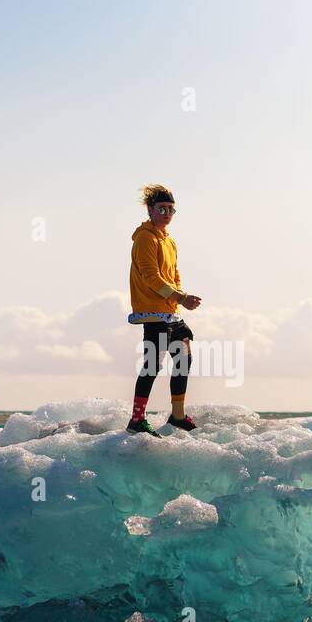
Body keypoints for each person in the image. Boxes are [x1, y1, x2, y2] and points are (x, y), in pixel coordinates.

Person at [127, 184, 202, 436]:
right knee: (152, 364)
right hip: (152, 312)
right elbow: (152, 277)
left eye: (171, 209)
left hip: (171, 312)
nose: (167, 213)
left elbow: (174, 274)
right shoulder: (145, 238)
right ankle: (137, 420)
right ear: (150, 209)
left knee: (183, 356)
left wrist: (179, 299)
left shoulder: (169, 240)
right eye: (162, 208)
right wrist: (181, 298)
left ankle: (177, 415)